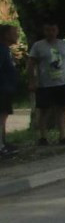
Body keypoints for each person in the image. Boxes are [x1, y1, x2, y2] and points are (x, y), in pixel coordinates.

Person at [27, 20, 65, 146]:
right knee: (43, 111)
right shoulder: (38, 46)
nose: (51, 33)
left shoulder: (64, 45)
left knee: (63, 109)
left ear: (57, 31)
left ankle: (63, 136)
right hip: (45, 84)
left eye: (53, 30)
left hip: (62, 83)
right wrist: (32, 81)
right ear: (44, 31)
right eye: (48, 30)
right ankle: (43, 137)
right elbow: (31, 64)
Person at [0, 24, 19, 157]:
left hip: (6, 89)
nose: (17, 35)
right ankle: (1, 147)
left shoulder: (5, 49)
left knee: (3, 117)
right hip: (1, 89)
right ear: (6, 35)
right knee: (1, 118)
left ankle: (3, 142)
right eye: (14, 32)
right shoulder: (1, 50)